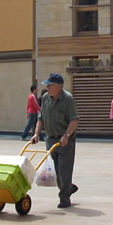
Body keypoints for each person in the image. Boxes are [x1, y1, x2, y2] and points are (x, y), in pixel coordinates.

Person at [31, 73, 79, 208]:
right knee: (55, 172)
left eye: (50, 85)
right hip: (50, 139)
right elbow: (41, 118)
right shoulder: (46, 98)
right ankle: (68, 187)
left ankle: (64, 199)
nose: (47, 87)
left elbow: (74, 119)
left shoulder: (68, 99)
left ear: (58, 86)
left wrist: (66, 135)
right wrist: (36, 134)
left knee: (64, 170)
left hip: (65, 141)